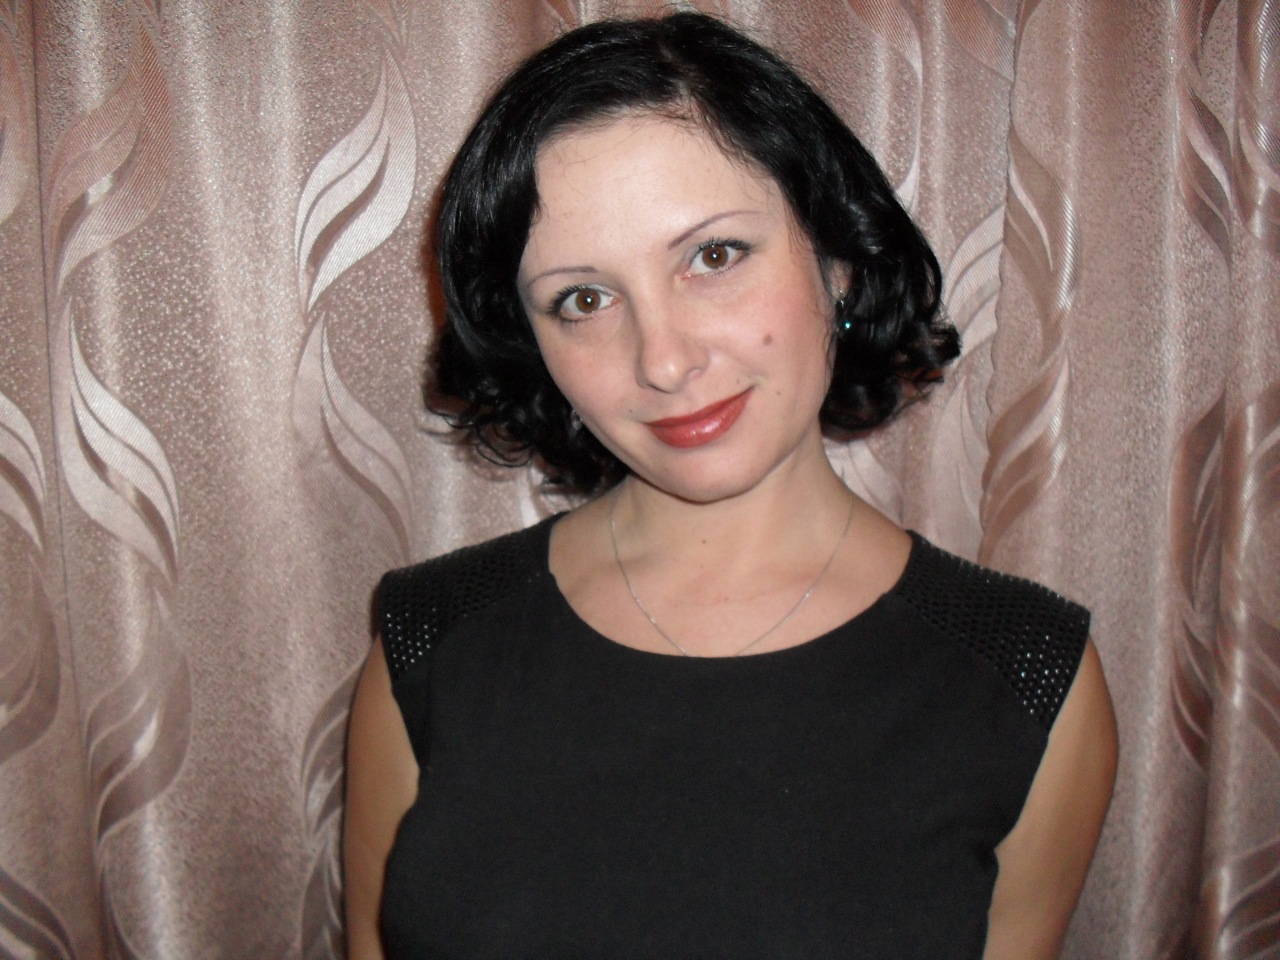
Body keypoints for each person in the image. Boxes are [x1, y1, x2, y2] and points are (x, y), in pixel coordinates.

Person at [344, 11, 1117, 960]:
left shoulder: (1028, 678)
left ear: (837, 259)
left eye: (714, 256)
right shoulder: (430, 643)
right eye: (584, 299)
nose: (663, 360)